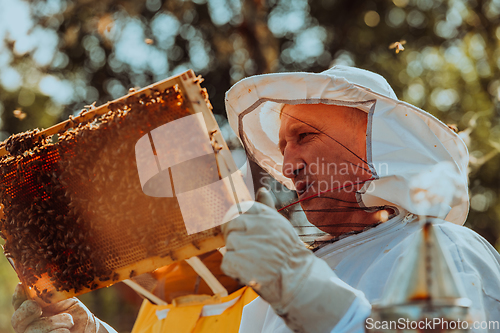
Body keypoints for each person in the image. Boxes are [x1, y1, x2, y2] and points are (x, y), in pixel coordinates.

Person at [10, 66, 500, 333]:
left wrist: (320, 302)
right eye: (283, 147)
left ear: (378, 146)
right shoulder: (271, 299)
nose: (288, 165)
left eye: (305, 136)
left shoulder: (445, 248)